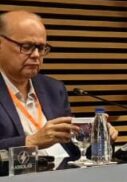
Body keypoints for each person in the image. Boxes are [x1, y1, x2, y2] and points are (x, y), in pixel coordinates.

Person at [0, 10, 75, 152]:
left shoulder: (54, 89)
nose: (36, 55)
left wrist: (97, 139)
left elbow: (72, 147)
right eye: (26, 47)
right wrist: (30, 142)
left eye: (41, 48)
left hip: (63, 165)